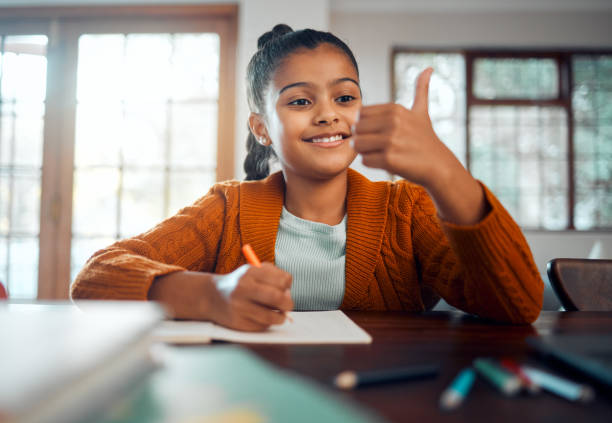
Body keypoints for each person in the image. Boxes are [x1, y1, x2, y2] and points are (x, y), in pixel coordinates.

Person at [71, 24, 544, 331]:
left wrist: (445, 172)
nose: (326, 116)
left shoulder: (407, 209)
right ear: (262, 129)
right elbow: (95, 278)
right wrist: (211, 294)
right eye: (299, 102)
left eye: (345, 98)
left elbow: (520, 304)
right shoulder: (227, 209)